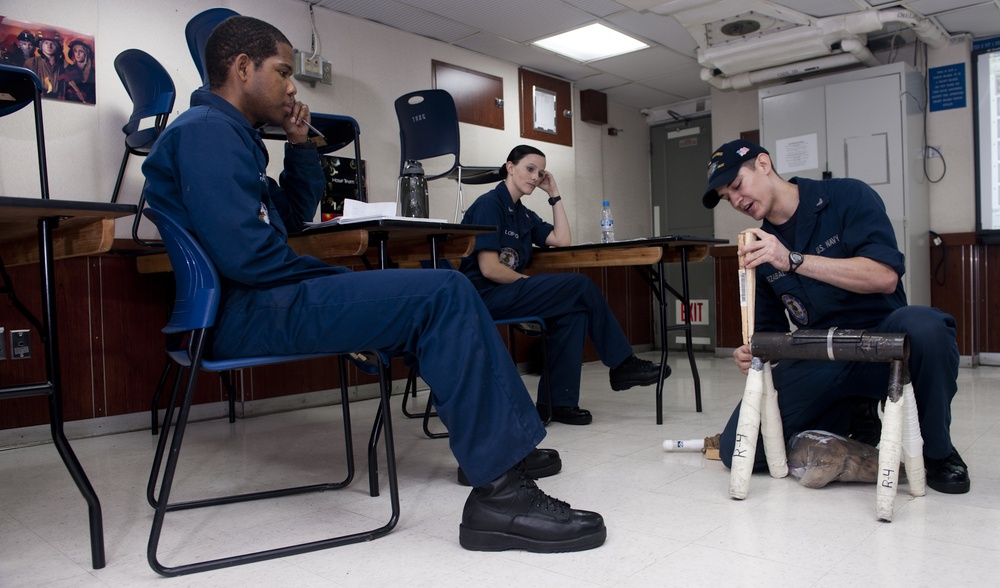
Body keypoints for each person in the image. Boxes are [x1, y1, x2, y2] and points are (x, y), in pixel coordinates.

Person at [141, 15, 606, 553]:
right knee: (443, 292)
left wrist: (300, 147)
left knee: (434, 297)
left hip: (255, 302)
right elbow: (249, 256)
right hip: (243, 311)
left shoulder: (225, 135)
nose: (293, 87)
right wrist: (339, 279)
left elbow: (287, 220)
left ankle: (499, 452)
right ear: (243, 68)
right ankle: (500, 494)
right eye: (284, 71)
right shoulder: (206, 133)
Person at [703, 139, 969, 494]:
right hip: (822, 353)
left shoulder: (846, 196)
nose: (736, 200)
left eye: (737, 185)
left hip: (881, 343)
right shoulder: (760, 246)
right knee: (737, 449)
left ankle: (937, 451)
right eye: (726, 197)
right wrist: (753, 350)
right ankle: (850, 415)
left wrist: (793, 260)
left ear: (764, 164)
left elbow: (885, 275)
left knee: (927, 326)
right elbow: (771, 334)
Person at [459, 145, 669, 426]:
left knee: (573, 312)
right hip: (484, 296)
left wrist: (554, 193)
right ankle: (622, 364)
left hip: (510, 292)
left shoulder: (523, 215)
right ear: (510, 167)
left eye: (541, 172)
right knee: (579, 286)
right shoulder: (489, 205)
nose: (536, 177)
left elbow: (562, 240)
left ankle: (558, 403)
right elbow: (489, 268)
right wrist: (530, 284)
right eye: (529, 169)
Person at [24, 29, 65, 98]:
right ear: (41, 45)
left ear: (57, 46)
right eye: (46, 43)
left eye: (52, 43)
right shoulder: (31, 63)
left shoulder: (64, 64)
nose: (49, 46)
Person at [61, 39, 95, 104]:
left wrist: (86, 97)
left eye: (81, 51)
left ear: (86, 53)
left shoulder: (93, 73)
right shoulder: (68, 69)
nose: (78, 54)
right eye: (75, 51)